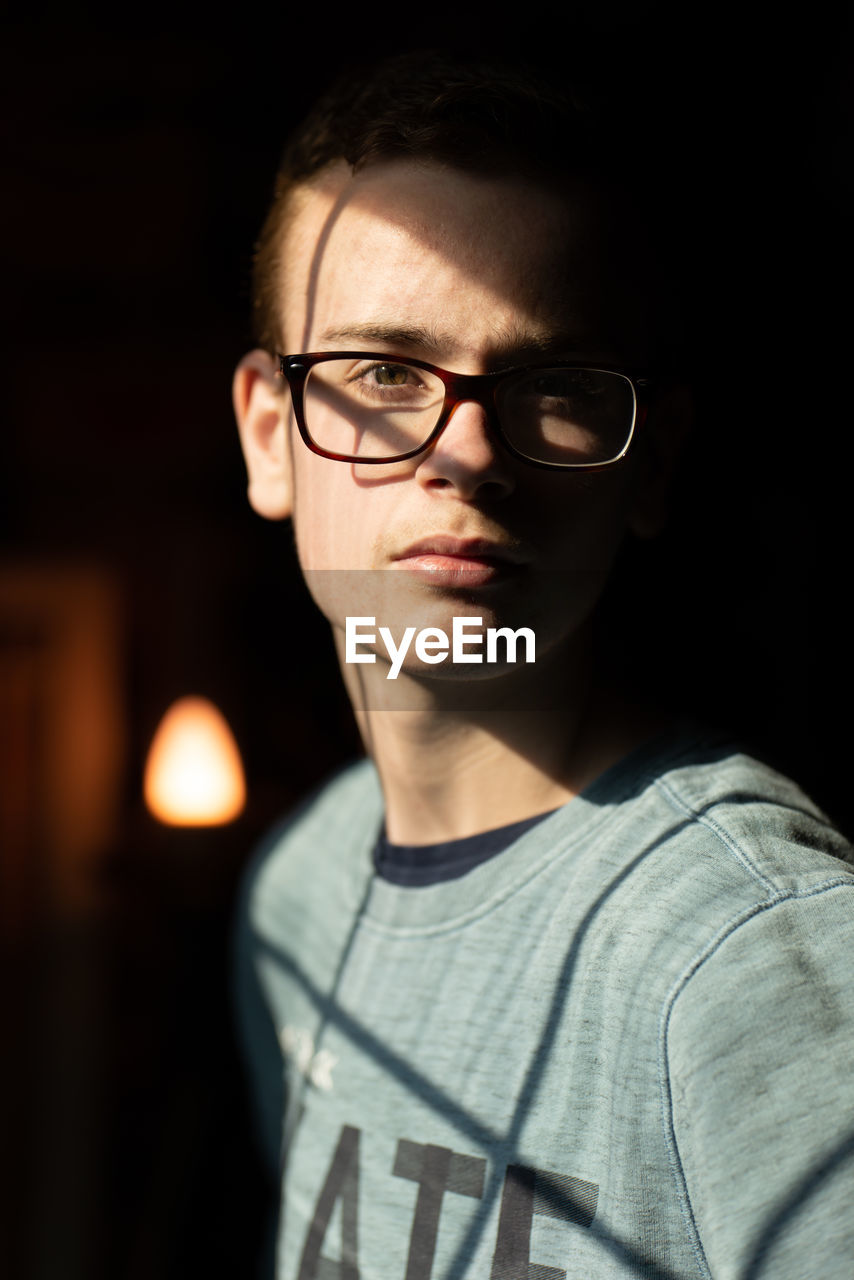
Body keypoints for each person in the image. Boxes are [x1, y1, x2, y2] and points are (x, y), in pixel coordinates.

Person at [231, 52, 854, 1279]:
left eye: (554, 386)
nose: (464, 454)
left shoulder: (749, 956)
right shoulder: (297, 889)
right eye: (381, 371)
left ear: (650, 466)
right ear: (269, 438)